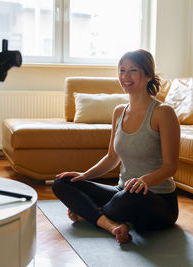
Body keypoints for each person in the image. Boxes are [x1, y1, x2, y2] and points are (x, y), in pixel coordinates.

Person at [52, 49, 180, 244]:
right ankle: (112, 225)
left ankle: (90, 215)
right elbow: (112, 157)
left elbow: (171, 166)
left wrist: (144, 180)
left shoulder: (163, 112)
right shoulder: (119, 112)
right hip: (123, 193)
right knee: (62, 183)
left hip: (157, 201)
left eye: (132, 71)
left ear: (147, 75)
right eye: (121, 70)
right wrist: (83, 176)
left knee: (131, 195)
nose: (125, 77)